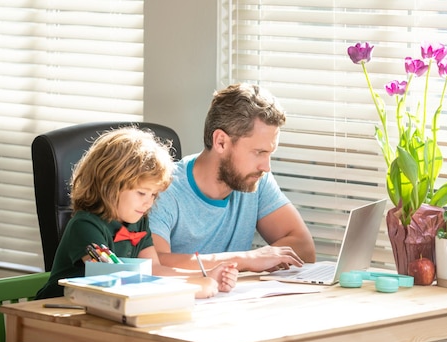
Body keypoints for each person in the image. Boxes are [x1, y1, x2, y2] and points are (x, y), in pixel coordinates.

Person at [36, 126, 238, 300]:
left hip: (98, 312)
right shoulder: (85, 226)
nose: (148, 202)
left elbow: (154, 270)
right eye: (142, 192)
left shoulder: (139, 222)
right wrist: (192, 287)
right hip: (52, 316)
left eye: (154, 194)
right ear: (110, 184)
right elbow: (115, 280)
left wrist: (205, 276)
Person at [149, 83, 316, 272]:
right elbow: (154, 264)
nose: (266, 167)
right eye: (259, 152)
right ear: (221, 142)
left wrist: (251, 261)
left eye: (270, 153)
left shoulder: (256, 180)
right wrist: (245, 260)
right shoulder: (163, 189)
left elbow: (304, 247)